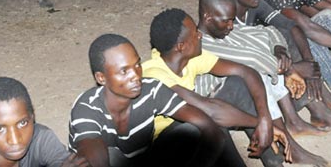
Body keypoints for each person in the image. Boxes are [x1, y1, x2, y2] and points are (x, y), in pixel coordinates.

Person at [197, 0, 331, 167]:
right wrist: (290, 69)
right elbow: (251, 60)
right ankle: (285, 142)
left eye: (232, 20)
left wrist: (279, 49)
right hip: (215, 101)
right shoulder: (201, 43)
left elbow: (268, 32)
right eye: (227, 21)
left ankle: (293, 123)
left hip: (241, 90)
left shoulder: (225, 29)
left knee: (273, 56)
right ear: (208, 18)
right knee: (257, 74)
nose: (231, 25)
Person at [142, 8, 287, 167]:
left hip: (191, 122)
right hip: (164, 146)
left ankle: (274, 162)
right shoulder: (153, 74)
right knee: (209, 124)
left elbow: (247, 72)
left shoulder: (188, 58)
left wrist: (265, 119)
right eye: (195, 33)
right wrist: (260, 123)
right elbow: (211, 111)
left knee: (237, 85)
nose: (200, 35)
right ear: (181, 46)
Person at [226, 0, 331, 133]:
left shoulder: (255, 4)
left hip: (265, 53)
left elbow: (291, 26)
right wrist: (293, 68)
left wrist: (309, 63)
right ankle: (310, 113)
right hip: (241, 68)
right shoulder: (224, 15)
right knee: (286, 50)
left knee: (290, 34)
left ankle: (319, 107)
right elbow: (246, 56)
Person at [69, 34, 225, 167]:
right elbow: (95, 159)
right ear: (101, 78)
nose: (136, 76)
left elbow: (210, 128)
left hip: (144, 160)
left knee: (194, 130)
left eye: (137, 65)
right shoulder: (87, 108)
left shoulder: (151, 89)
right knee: (111, 154)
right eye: (124, 71)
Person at [0, 76, 87, 167]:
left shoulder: (41, 139)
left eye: (22, 123)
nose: (15, 139)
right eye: (0, 129)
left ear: (32, 116)